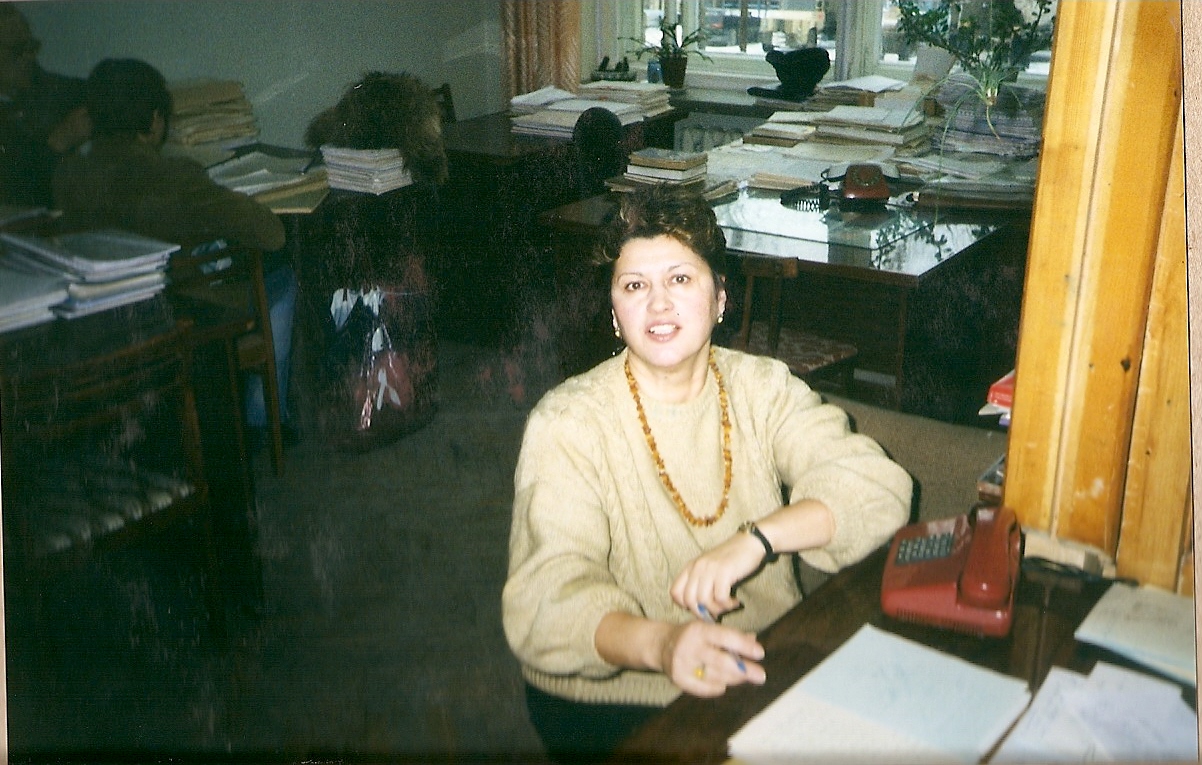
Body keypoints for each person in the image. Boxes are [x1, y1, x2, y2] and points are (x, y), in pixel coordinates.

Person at [502, 185, 912, 763]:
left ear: (721, 298)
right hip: (616, 693)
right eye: (634, 286)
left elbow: (876, 489)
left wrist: (758, 539)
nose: (658, 304)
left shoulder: (763, 387)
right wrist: (666, 645)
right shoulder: (568, 421)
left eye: (680, 279)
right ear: (615, 314)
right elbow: (548, 603)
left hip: (755, 660)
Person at [53, 58, 295, 445]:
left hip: (104, 320)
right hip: (182, 312)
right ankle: (263, 418)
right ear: (155, 120)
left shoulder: (67, 174)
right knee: (283, 273)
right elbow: (271, 233)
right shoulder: (173, 176)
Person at [0, 4, 90, 207]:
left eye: (32, 46)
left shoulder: (47, 87)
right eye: (18, 49)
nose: (30, 56)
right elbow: (12, 194)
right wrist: (56, 145)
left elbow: (108, 91)